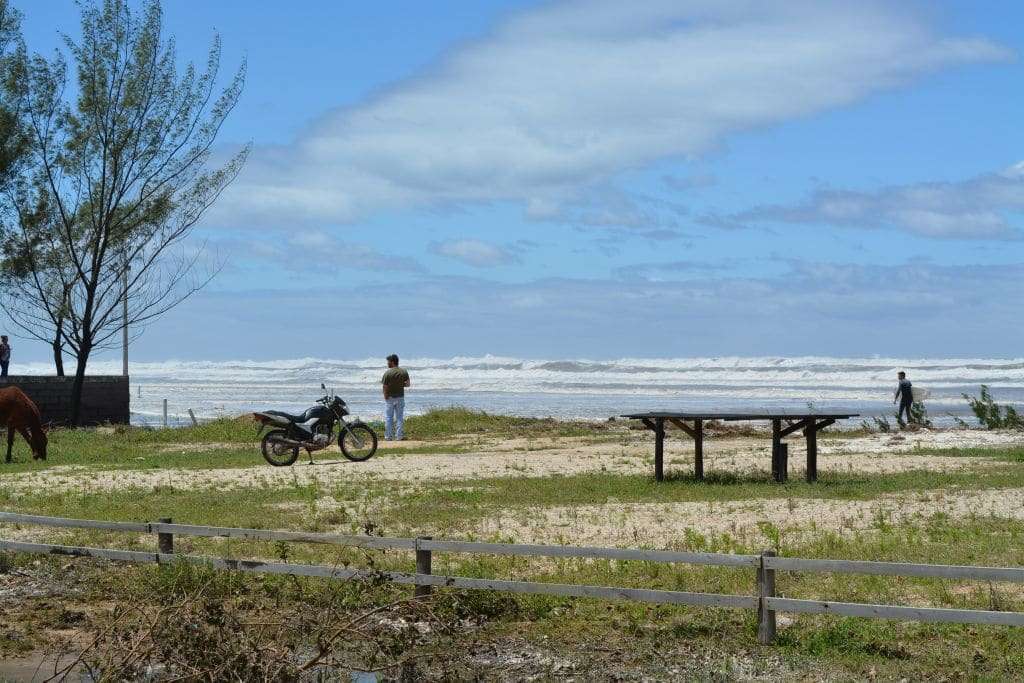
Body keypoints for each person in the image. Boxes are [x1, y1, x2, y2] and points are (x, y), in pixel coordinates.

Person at [381, 354, 410, 441]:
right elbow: (408, 384)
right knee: (399, 417)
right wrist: (400, 385)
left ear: (392, 362)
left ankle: (388, 437)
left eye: (388, 361)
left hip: (390, 398)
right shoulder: (403, 371)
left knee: (389, 417)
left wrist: (385, 396)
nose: (387, 363)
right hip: (400, 397)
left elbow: (385, 386)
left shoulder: (387, 373)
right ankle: (399, 436)